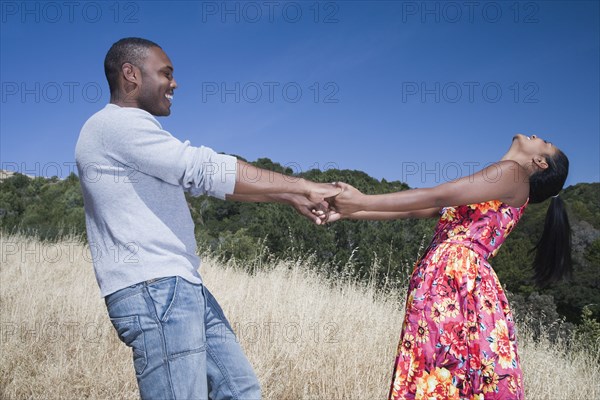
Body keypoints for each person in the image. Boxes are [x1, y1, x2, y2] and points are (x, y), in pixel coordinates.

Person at [75, 37, 339, 400]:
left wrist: (290, 194)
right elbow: (202, 168)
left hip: (178, 285)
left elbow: (208, 182)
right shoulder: (116, 125)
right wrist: (302, 184)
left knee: (240, 390)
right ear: (131, 74)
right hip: (155, 288)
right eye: (166, 73)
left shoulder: (126, 132)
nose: (175, 83)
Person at [323, 134, 571, 399]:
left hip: (454, 277)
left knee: (435, 366)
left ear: (540, 162)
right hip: (460, 279)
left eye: (545, 143)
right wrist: (351, 211)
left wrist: (361, 201)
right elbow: (413, 210)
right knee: (450, 371)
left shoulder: (512, 174)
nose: (536, 136)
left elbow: (438, 194)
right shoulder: (501, 184)